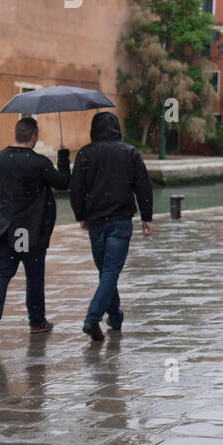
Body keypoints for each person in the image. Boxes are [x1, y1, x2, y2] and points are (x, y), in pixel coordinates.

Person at [0, 117, 70, 343]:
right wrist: (64, 158)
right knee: (34, 278)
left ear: (17, 134)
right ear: (34, 137)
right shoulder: (39, 163)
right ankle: (37, 322)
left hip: (3, 230)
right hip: (30, 231)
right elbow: (62, 183)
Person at [69, 111, 153, 343]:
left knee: (107, 272)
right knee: (110, 272)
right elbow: (143, 186)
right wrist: (147, 217)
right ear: (117, 128)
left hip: (96, 222)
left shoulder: (85, 153)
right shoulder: (129, 152)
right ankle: (92, 318)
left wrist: (81, 215)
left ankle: (115, 317)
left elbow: (76, 188)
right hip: (120, 222)